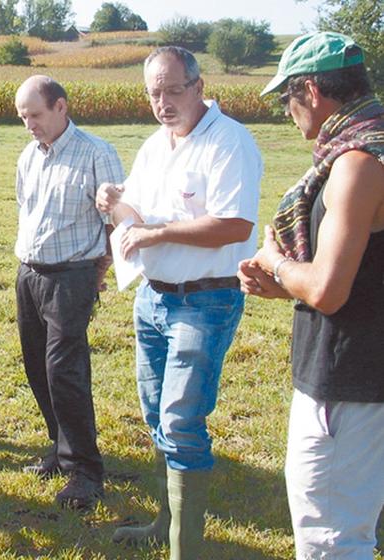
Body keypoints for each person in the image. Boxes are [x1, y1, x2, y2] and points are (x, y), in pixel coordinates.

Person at [96, 46, 262, 557]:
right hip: (153, 298)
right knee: (155, 416)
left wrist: (151, 234)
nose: (163, 102)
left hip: (206, 299)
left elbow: (234, 225)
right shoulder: (154, 146)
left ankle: (184, 548)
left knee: (181, 419)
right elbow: (139, 214)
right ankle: (165, 526)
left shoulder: (230, 142)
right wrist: (113, 201)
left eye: (172, 90)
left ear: (199, 87)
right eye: (153, 92)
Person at [237, 32, 384, 559]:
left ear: (314, 91)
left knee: (332, 541)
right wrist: (282, 288)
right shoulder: (370, 145)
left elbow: (327, 289)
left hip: (348, 384)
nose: (286, 112)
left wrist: (276, 261)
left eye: (287, 98)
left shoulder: (357, 164)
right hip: (363, 376)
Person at [14, 75, 125, 510]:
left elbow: (117, 220)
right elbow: (27, 210)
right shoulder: (28, 155)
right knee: (37, 367)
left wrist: (98, 273)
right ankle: (60, 450)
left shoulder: (97, 153)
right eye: (24, 118)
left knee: (65, 371)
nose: (30, 125)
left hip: (72, 275)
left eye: (36, 115)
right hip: (30, 273)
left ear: (61, 106)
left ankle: (85, 471)